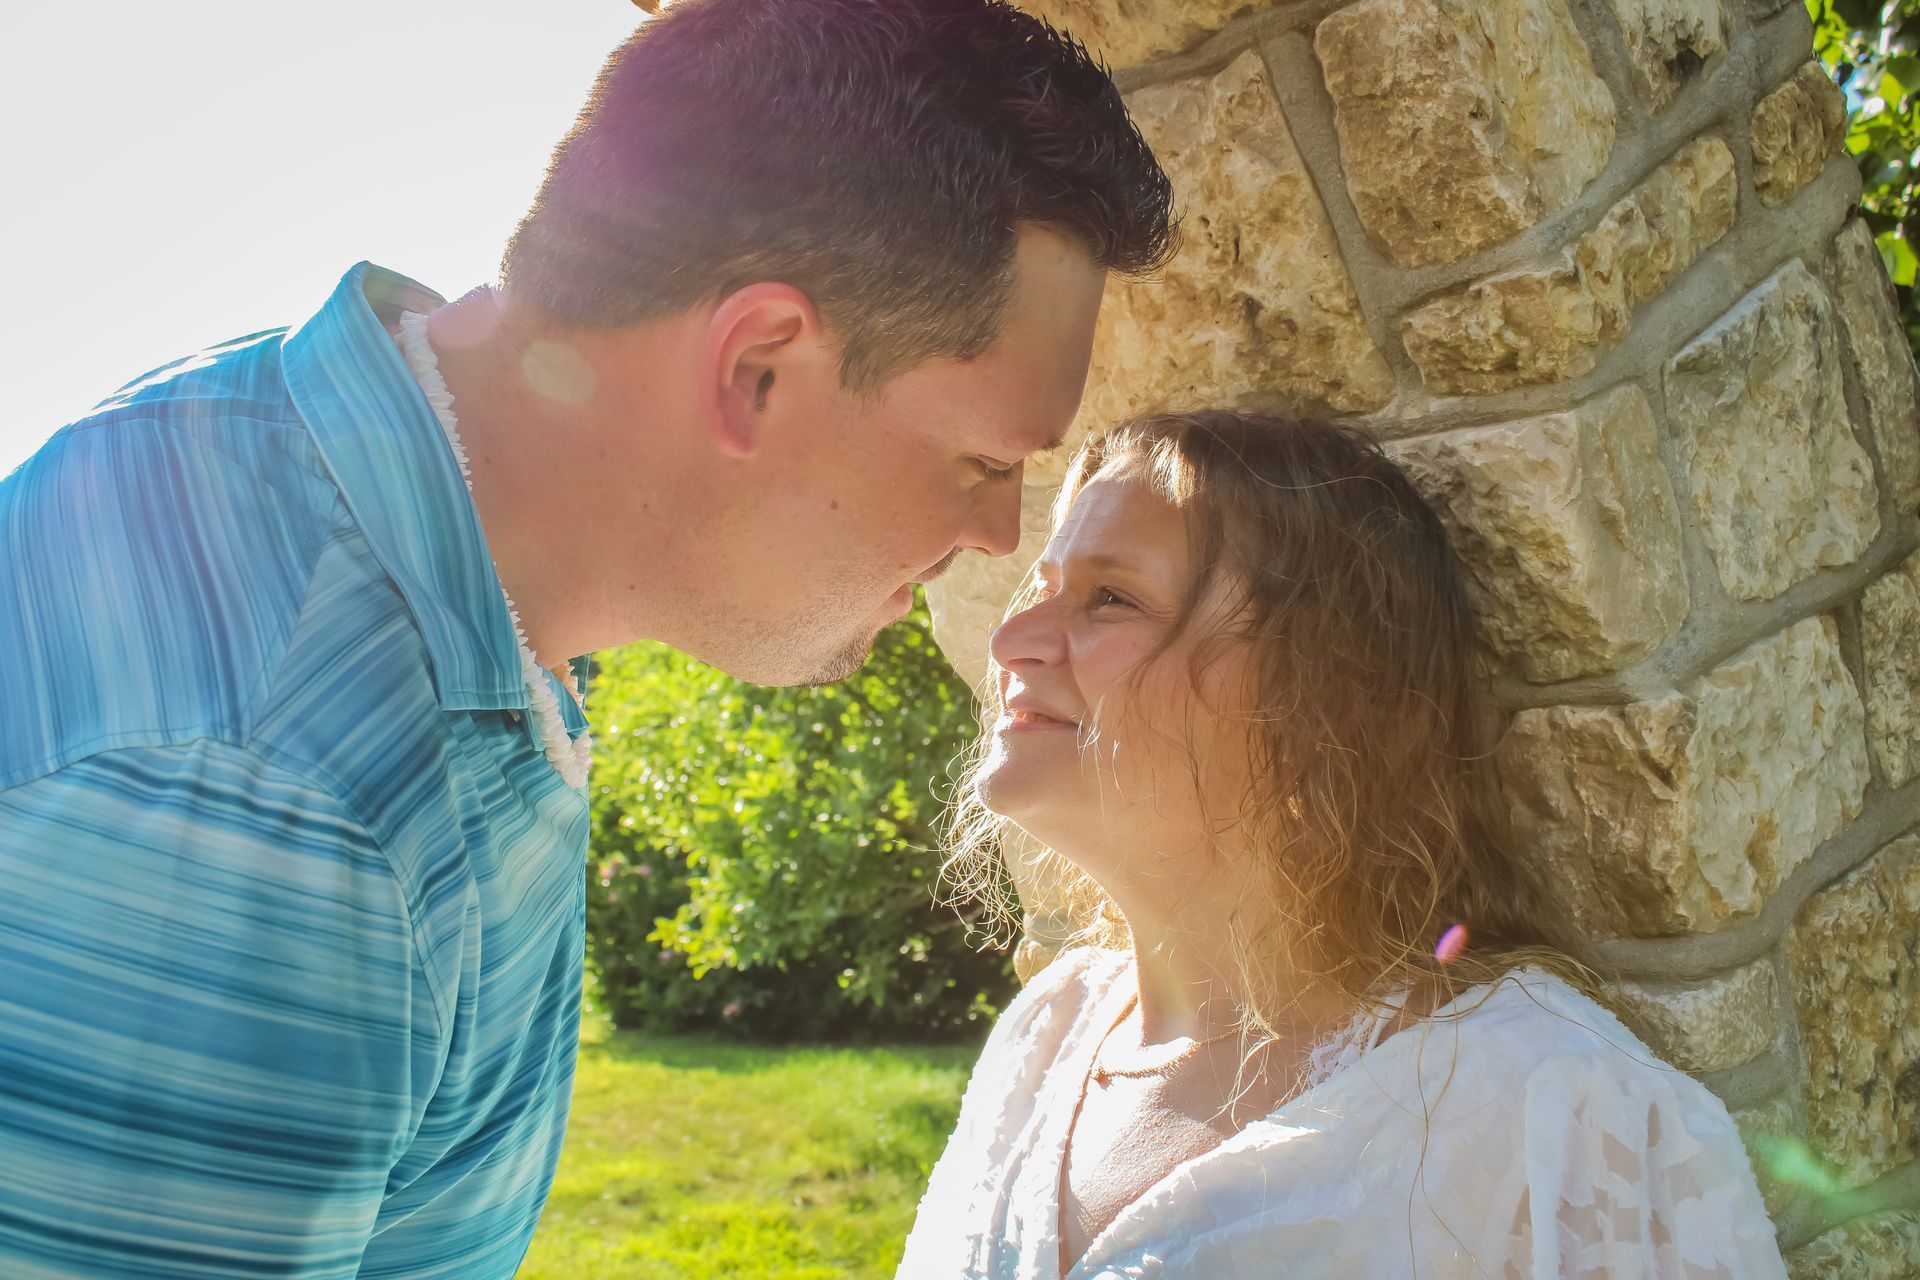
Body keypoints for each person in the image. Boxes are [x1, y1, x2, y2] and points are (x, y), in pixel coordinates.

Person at [0, 2, 1174, 1276]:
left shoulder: (426, 558)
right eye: (984, 457)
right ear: (756, 367)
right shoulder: (265, 793)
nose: (1001, 535)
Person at [901, 411, 1788, 1279]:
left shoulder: (1558, 1119)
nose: (1011, 640)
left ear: (1328, 703)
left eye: (1112, 598)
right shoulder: (1042, 1035)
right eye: (1042, 588)